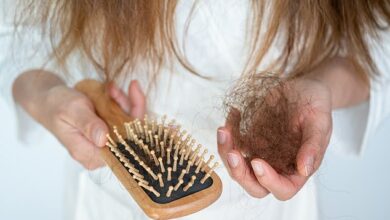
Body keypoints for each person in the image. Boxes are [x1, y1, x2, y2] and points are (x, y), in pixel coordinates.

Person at [1, 0, 390, 219]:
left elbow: (375, 40)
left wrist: (321, 85)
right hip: (113, 203)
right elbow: (15, 30)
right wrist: (45, 94)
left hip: (270, 211)